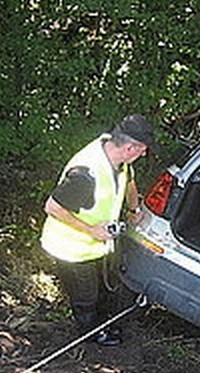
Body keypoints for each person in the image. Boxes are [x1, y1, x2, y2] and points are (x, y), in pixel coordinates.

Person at [40, 114, 156, 346]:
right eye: (142, 150)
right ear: (130, 147)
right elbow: (52, 207)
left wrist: (134, 210)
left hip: (97, 246)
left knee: (104, 289)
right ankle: (89, 334)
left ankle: (102, 323)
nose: (144, 155)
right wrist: (92, 230)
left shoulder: (118, 160)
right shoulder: (86, 173)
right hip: (70, 248)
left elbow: (129, 183)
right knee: (86, 295)